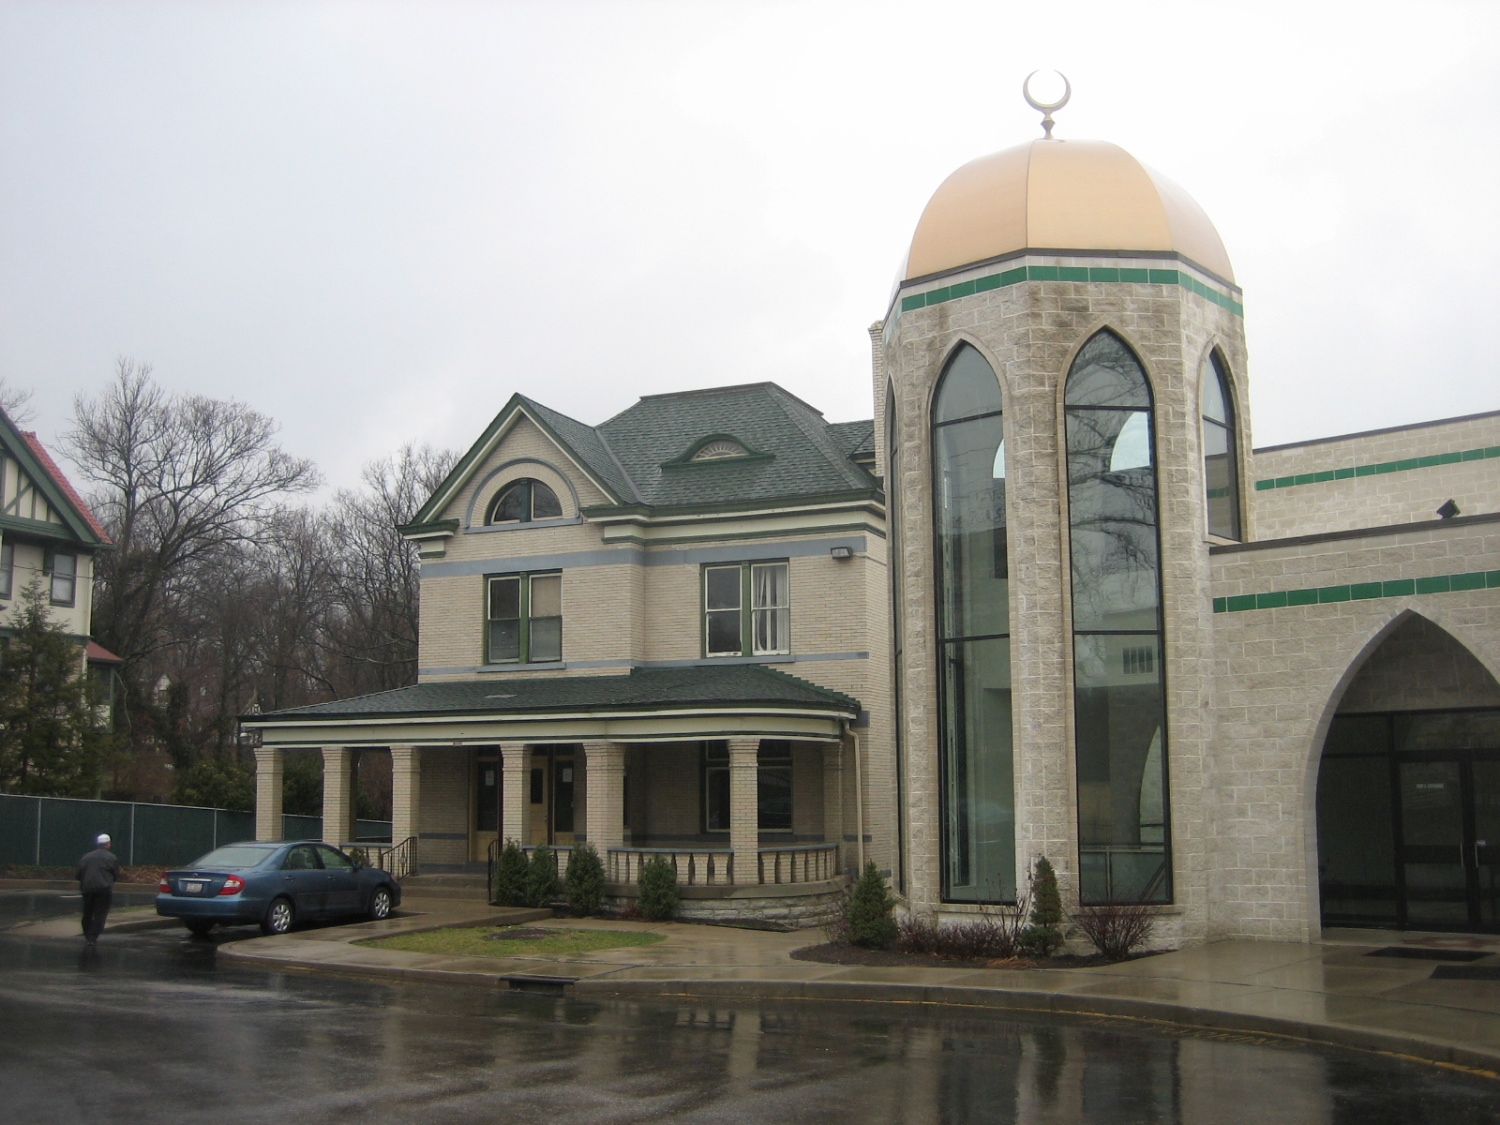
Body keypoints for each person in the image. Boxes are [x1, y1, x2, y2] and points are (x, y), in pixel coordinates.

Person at [76, 833, 121, 944]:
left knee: (87, 912)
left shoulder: (86, 857)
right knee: (100, 913)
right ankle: (93, 936)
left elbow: (78, 874)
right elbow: (115, 874)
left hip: (87, 889)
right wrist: (110, 881)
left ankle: (87, 933)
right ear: (108, 844)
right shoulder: (111, 857)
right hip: (103, 889)